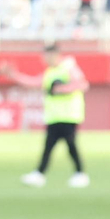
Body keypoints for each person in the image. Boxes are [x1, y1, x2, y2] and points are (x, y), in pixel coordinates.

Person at [19, 43, 89, 188]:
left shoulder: (68, 67)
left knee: (70, 145)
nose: (44, 59)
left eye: (46, 55)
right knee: (49, 146)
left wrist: (61, 89)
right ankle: (39, 173)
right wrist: (13, 75)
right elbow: (32, 82)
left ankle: (80, 173)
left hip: (69, 114)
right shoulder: (50, 72)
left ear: (55, 55)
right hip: (54, 116)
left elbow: (83, 84)